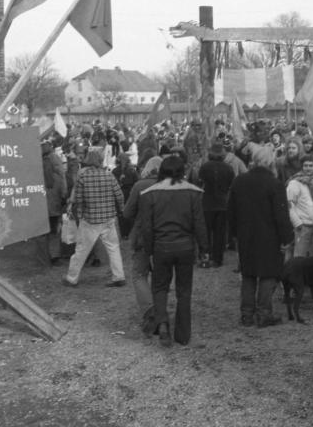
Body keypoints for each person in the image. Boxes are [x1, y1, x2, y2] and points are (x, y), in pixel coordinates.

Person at [137, 155, 208, 346]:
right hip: (185, 246)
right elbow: (199, 224)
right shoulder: (193, 193)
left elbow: (147, 228)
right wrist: (204, 248)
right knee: (184, 290)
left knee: (159, 287)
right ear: (182, 171)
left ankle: (162, 325)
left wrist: (150, 251)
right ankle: (183, 334)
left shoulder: (149, 194)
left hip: (161, 246)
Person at [227, 145, 293, 327]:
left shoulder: (239, 181)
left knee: (248, 273)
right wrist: (287, 238)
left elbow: (230, 210)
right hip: (269, 236)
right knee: (268, 274)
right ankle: (264, 313)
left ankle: (246, 314)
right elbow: (281, 215)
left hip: (245, 235)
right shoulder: (275, 184)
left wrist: (233, 234)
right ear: (270, 162)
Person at [63, 146, 126, 287]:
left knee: (81, 250)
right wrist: (121, 209)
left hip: (90, 220)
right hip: (109, 218)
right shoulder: (109, 175)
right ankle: (119, 276)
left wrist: (80, 215)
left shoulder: (83, 176)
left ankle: (71, 278)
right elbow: (119, 195)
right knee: (113, 248)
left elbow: (79, 199)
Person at [123, 155, 163, 336]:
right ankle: (159, 311)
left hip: (142, 236)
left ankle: (149, 311)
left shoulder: (140, 185)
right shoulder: (171, 184)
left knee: (139, 274)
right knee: (160, 277)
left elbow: (127, 212)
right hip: (165, 236)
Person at [196, 142, 235, 268]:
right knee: (220, 233)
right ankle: (218, 259)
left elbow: (199, 183)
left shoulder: (205, 167)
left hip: (207, 202)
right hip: (223, 203)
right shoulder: (228, 168)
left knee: (206, 231)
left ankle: (206, 257)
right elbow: (231, 185)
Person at [286, 154, 313, 258]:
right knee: (300, 257)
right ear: (302, 167)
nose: (308, 168)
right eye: (305, 166)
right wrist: (297, 223)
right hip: (303, 227)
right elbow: (289, 205)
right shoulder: (295, 183)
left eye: (311, 166)